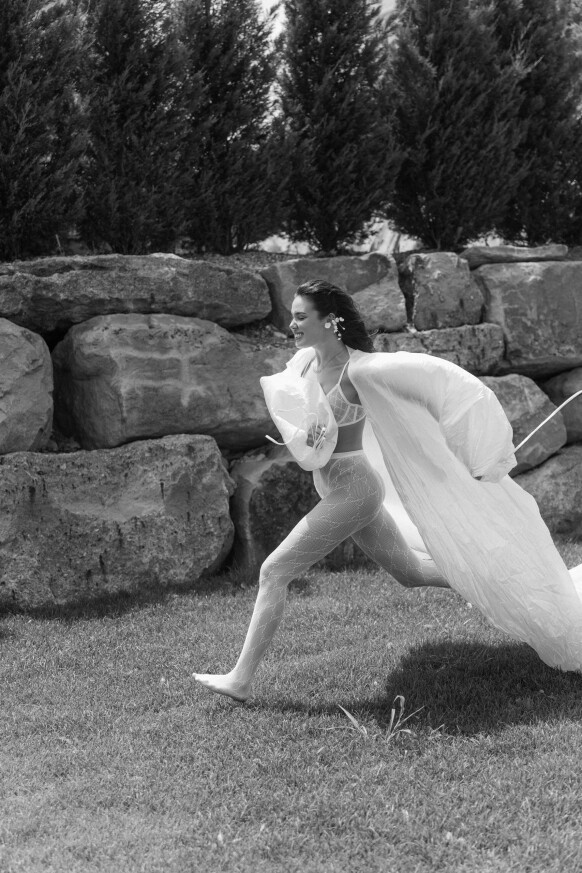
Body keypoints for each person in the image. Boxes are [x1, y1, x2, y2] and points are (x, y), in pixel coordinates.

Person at [194, 280, 582, 702]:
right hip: (338, 487)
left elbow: (441, 381)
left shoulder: (360, 371)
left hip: (354, 490)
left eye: (301, 316)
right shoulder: (305, 363)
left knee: (274, 572)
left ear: (331, 320)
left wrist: (480, 451)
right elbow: (300, 407)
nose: (292, 324)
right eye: (293, 315)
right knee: (411, 574)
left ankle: (240, 680)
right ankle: (505, 586)